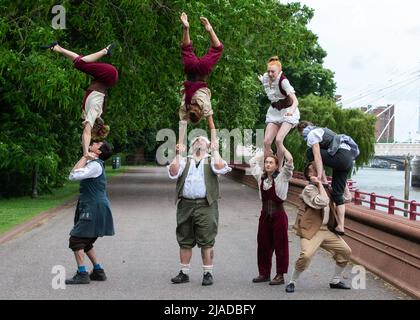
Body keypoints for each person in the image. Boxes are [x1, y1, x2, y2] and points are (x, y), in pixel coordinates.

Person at [167, 136, 231, 286]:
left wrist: (215, 151)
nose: (198, 140)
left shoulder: (211, 159)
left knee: (207, 240)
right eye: (196, 139)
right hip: (185, 205)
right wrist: (177, 154)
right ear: (191, 146)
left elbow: (221, 167)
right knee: (184, 238)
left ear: (209, 146)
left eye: (202, 139)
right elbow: (173, 172)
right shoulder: (184, 160)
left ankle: (207, 273)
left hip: (206, 205)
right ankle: (184, 273)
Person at [41, 41, 119, 155]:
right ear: (93, 125)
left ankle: (56, 48)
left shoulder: (91, 113)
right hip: (108, 75)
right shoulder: (94, 112)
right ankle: (105, 50)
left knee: (80, 61)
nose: (84, 124)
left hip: (107, 78)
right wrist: (86, 152)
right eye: (88, 125)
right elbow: (86, 132)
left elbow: (88, 125)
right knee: (80, 63)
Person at [285, 162, 352, 293]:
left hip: (326, 230)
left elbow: (346, 199)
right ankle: (292, 281)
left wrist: (342, 183)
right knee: (306, 255)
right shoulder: (309, 189)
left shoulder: (328, 188)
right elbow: (322, 201)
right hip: (311, 230)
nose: (319, 172)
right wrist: (320, 184)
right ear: (310, 176)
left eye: (320, 170)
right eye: (314, 171)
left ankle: (335, 281)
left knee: (345, 251)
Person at [297, 121, 360, 235]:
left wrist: (320, 178)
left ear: (302, 131)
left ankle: (324, 180)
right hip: (348, 160)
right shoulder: (325, 131)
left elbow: (317, 157)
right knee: (337, 195)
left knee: (310, 152)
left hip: (340, 157)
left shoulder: (312, 134)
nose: (303, 138)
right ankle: (340, 226)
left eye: (302, 135)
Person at [65, 141, 114, 284]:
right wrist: (86, 156)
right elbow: (74, 173)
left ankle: (82, 274)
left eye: (97, 143)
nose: (93, 142)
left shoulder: (94, 165)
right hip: (93, 206)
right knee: (86, 241)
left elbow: (73, 176)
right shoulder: (95, 164)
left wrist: (85, 157)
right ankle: (98, 271)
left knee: (76, 240)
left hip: (93, 207)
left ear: (98, 151)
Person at [178, 13, 224, 151]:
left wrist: (214, 141)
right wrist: (180, 143)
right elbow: (182, 124)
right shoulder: (185, 106)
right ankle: (186, 28)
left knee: (218, 49)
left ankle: (210, 29)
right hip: (190, 70)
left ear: (200, 115)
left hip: (202, 71)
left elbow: (211, 124)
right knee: (186, 49)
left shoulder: (205, 106)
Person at [249, 150, 294, 285]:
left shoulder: (282, 177)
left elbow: (290, 161)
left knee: (281, 246)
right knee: (263, 245)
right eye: (266, 162)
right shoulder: (261, 177)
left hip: (279, 216)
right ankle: (264, 273)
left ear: (276, 165)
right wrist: (264, 152)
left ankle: (280, 275)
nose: (268, 164)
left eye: (271, 162)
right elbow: (252, 162)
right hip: (264, 216)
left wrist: (280, 146)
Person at [258, 56, 300, 167]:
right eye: (269, 71)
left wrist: (291, 111)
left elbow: (296, 101)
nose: (270, 74)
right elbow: (264, 80)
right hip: (274, 112)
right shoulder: (267, 78)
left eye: (273, 71)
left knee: (278, 140)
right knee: (266, 142)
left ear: (279, 71)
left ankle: (280, 168)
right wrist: (261, 79)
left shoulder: (283, 81)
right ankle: (267, 169)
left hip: (288, 111)